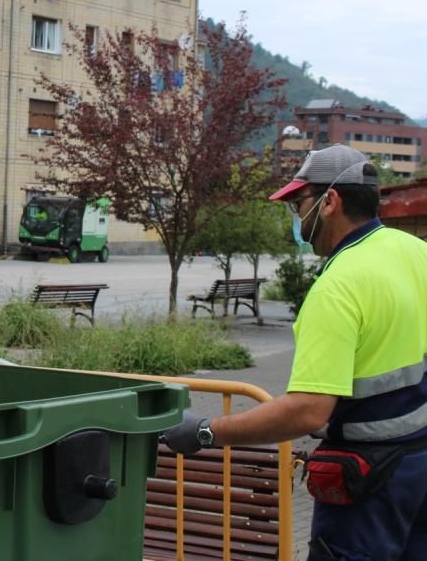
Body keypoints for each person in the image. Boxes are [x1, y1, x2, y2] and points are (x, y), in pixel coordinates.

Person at [163, 144, 427, 561]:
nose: (295, 217)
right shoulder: (414, 250)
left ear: (330, 201)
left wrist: (207, 431)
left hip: (368, 486)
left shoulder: (338, 285)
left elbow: (307, 411)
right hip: (419, 466)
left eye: (298, 203)